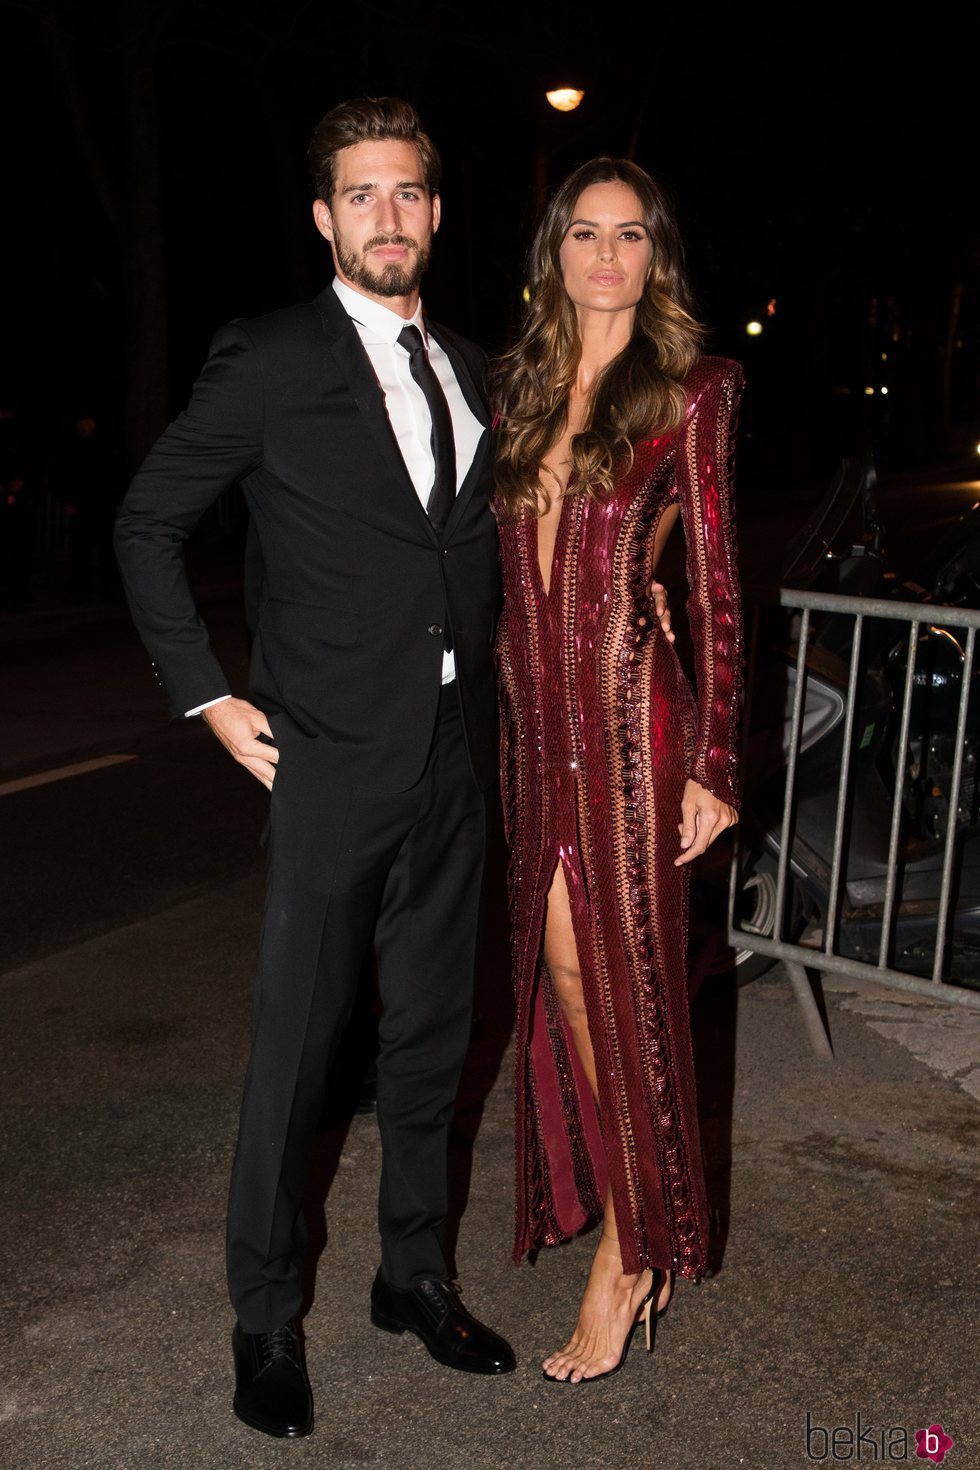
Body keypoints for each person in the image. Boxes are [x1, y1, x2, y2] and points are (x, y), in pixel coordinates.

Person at [115, 96, 518, 1441]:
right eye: (362, 195)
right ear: (322, 216)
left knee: (429, 1041)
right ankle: (264, 1316)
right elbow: (148, 523)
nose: (388, 216)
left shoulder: (475, 365)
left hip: (459, 763)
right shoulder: (274, 358)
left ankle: (412, 1275)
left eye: (408, 192)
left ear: (438, 211)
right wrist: (209, 698)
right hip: (329, 761)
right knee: (295, 1055)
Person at [493, 157, 743, 1383]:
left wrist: (714, 759)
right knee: (563, 975)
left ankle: (631, 1248)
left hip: (633, 727)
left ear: (655, 256)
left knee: (623, 978)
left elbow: (715, 589)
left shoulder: (691, 392)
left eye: (628, 234)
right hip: (532, 733)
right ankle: (622, 1199)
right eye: (583, 233)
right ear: (556, 252)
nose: (605, 255)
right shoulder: (521, 392)